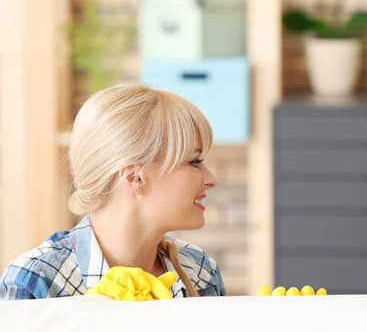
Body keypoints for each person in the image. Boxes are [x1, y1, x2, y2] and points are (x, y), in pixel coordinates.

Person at [0, 84, 226, 299]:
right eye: (194, 162)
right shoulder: (36, 282)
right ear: (134, 177)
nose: (211, 179)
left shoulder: (200, 271)